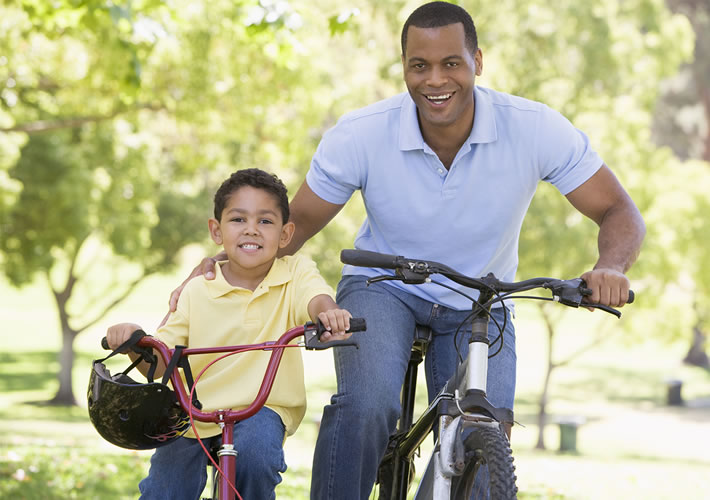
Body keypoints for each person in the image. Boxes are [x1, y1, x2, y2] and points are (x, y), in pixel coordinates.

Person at [167, 2, 646, 498]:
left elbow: (618, 209)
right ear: (404, 67)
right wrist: (224, 265)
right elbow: (297, 225)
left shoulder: (534, 128)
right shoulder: (362, 133)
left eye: (451, 63)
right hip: (383, 286)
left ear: (477, 61)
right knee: (368, 404)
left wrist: (610, 266)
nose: (435, 79)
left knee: (484, 428)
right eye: (420, 65)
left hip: (481, 295)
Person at [105, 168, 353, 500]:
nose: (252, 229)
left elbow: (316, 298)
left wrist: (328, 313)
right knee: (165, 488)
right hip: (196, 412)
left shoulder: (294, 272)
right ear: (217, 230)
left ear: (285, 233)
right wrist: (134, 342)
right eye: (238, 219)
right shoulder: (197, 289)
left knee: (255, 458)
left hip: (264, 408)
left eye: (265, 221)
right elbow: (162, 362)